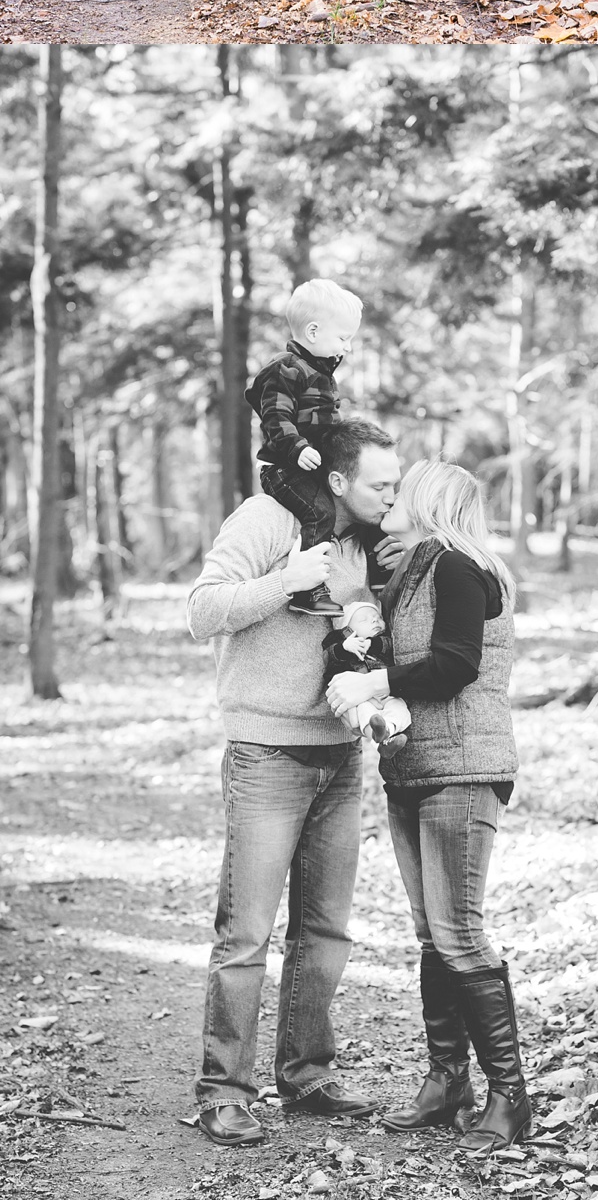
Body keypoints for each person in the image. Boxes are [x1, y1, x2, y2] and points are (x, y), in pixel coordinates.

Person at [187, 414, 402, 1140]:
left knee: (324, 930)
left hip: (341, 756)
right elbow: (203, 611)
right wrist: (287, 579)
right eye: (379, 484)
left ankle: (306, 1076)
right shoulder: (266, 517)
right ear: (337, 478)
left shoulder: (368, 542)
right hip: (266, 753)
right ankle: (223, 1092)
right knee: (245, 932)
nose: (390, 495)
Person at [326, 457, 530, 1164]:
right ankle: (446, 1082)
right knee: (431, 935)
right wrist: (358, 636)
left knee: (460, 934)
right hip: (413, 769)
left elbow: (456, 663)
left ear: (429, 500)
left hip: (463, 769)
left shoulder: (456, 565)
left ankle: (509, 1095)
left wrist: (376, 677)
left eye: (399, 485)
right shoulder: (414, 568)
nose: (389, 494)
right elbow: (401, 652)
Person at [247, 277, 363, 606]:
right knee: (320, 513)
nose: (348, 347)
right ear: (313, 333)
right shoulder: (285, 371)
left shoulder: (321, 373)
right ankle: (307, 589)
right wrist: (297, 448)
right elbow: (276, 419)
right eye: (343, 338)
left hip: (314, 465)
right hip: (284, 469)